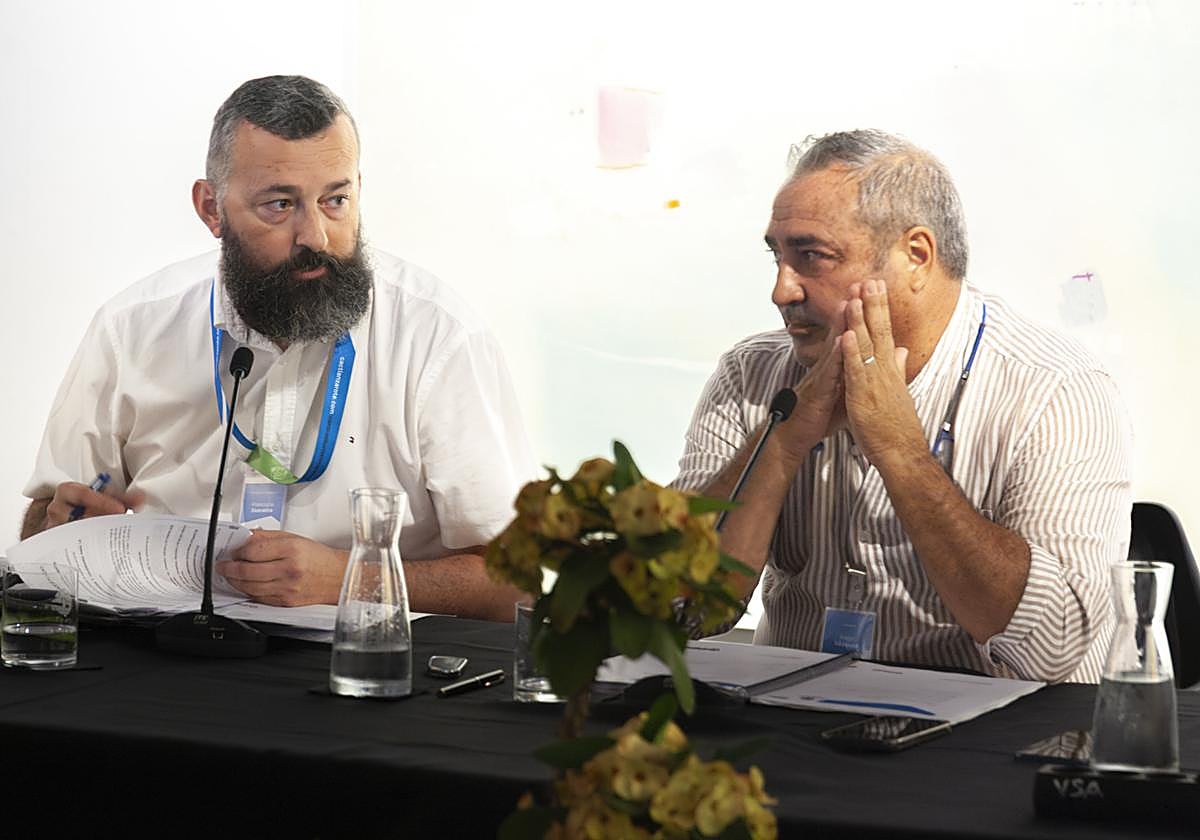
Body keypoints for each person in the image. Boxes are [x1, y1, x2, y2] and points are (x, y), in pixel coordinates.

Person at [20, 75, 533, 621]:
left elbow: (513, 585)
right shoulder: (130, 328)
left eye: (336, 200)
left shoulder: (439, 338)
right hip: (168, 655)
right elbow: (38, 531)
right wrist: (58, 527)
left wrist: (347, 577)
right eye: (280, 205)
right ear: (211, 209)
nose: (315, 235)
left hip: (367, 670)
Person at [675, 130, 1131, 683]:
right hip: (794, 730)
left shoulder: (1056, 388)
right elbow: (678, 611)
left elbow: (1052, 649)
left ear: (915, 257)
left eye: (812, 257)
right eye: (777, 256)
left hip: (1000, 747)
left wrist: (901, 451)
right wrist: (784, 440)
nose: (781, 291)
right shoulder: (751, 374)